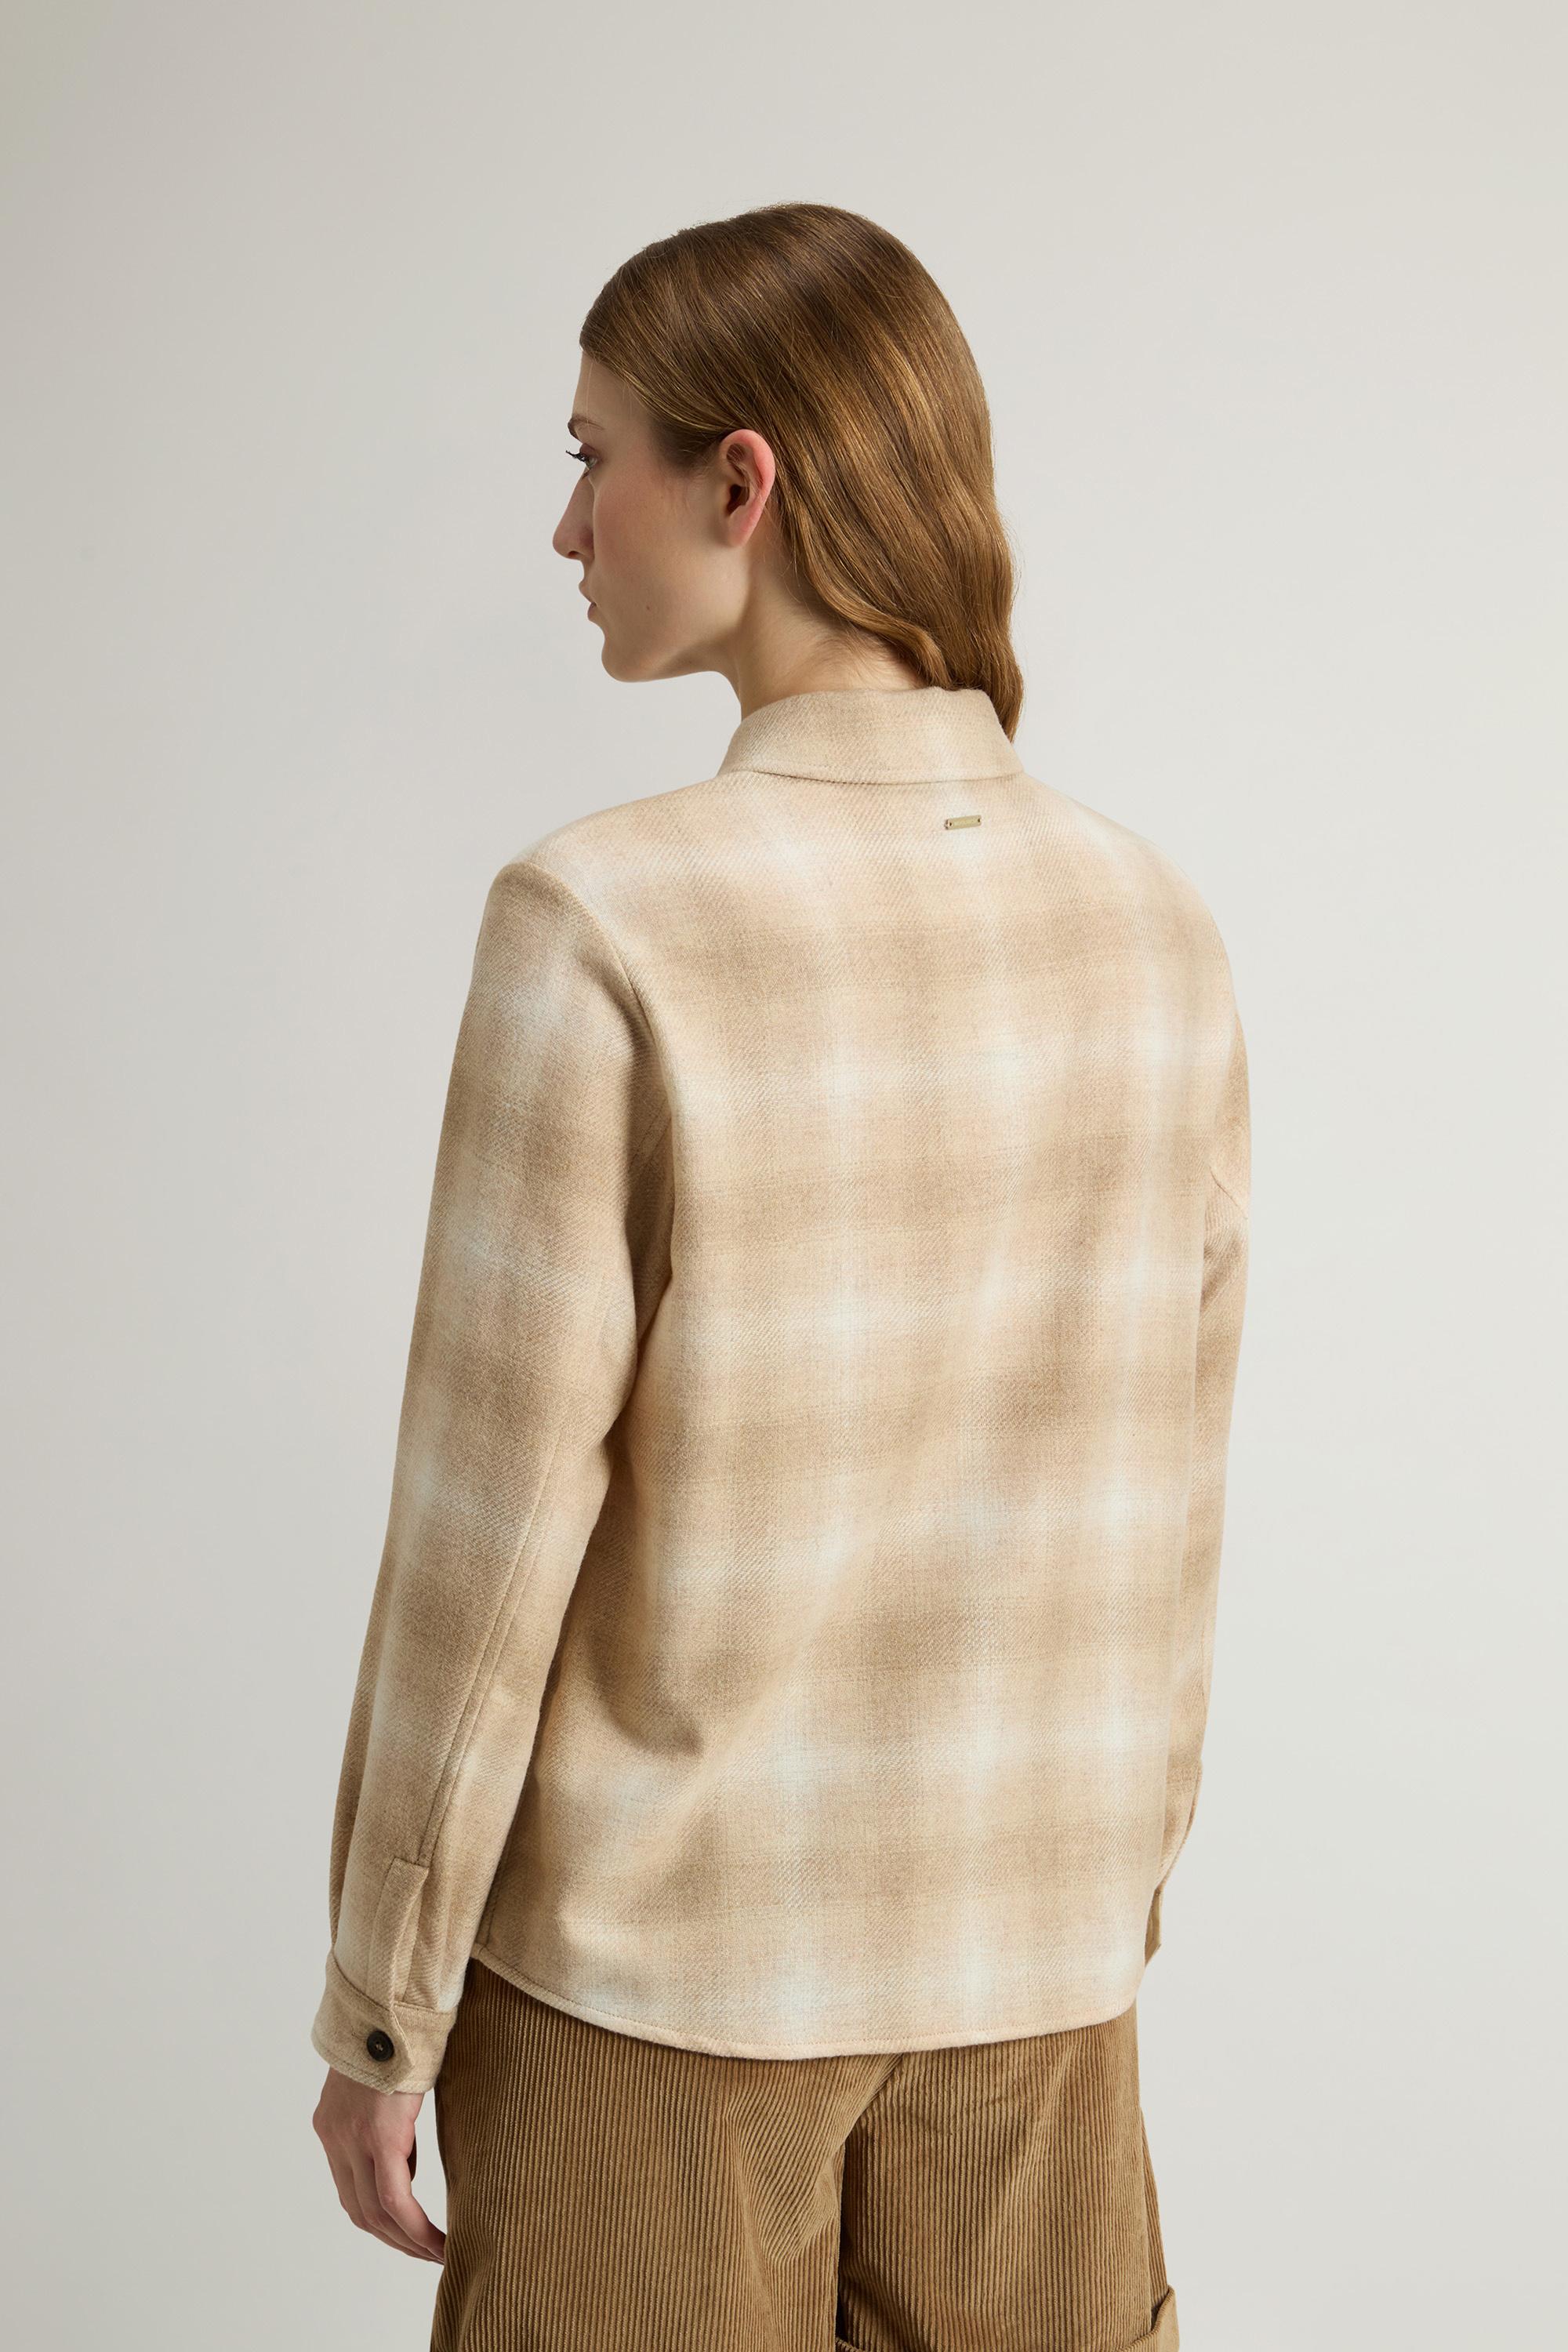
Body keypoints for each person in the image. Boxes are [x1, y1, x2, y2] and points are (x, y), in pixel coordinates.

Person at [310, 201, 1250, 2352]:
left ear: (743, 480)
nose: (568, 528)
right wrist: (1108, 1889)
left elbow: (487, 1536)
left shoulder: (606, 919)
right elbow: (1176, 1510)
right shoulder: (1152, 924)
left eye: (594, 458)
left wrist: (383, 2006)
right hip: (1038, 1994)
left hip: (662, 2003)